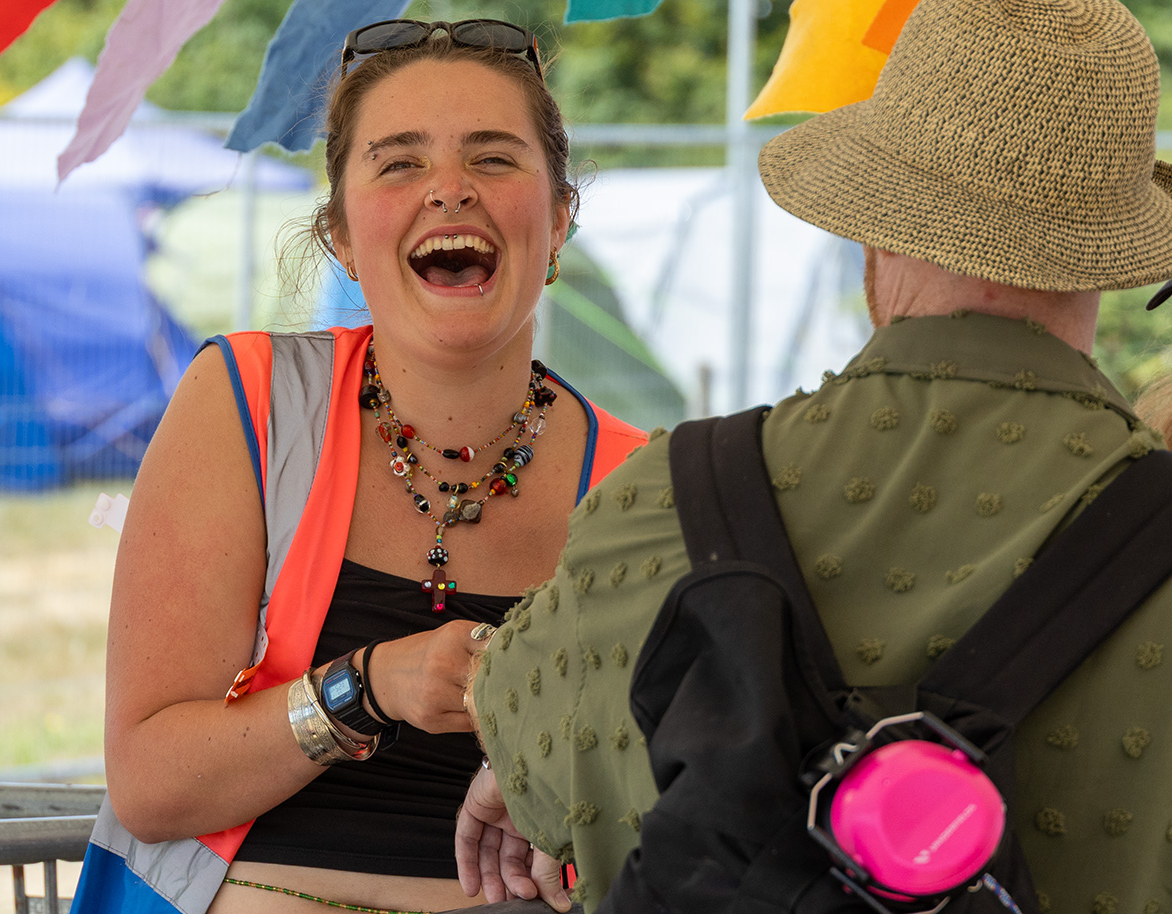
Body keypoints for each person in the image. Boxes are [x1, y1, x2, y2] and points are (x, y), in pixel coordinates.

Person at [456, 0, 1172, 911]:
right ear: (1112, 254)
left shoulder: (664, 500)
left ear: (873, 219)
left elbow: (521, 723)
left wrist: (508, 764)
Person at [69, 19, 646, 914]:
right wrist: (365, 689)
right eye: (400, 163)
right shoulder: (247, 399)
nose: (449, 188)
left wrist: (564, 774)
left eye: (494, 158)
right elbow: (152, 785)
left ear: (560, 219)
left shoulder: (637, 485)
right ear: (340, 234)